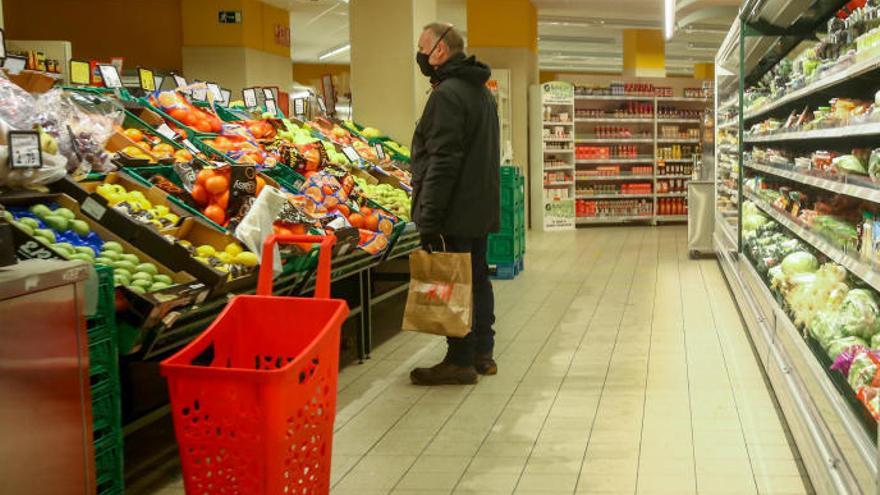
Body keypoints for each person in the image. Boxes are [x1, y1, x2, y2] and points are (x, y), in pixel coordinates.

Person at [408, 23, 501, 386]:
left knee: (455, 282)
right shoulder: (481, 92)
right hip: (478, 206)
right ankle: (482, 353)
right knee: (477, 279)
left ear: (440, 51)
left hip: (455, 209)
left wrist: (429, 218)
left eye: (422, 48)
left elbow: (442, 160)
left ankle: (460, 359)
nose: (419, 55)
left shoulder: (448, 94)